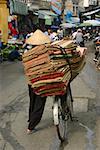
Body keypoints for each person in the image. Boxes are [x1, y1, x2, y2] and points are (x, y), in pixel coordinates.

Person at [22, 29, 51, 134]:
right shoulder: (46, 53)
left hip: (31, 82)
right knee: (39, 103)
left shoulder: (27, 53)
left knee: (33, 101)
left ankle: (30, 119)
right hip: (42, 82)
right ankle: (31, 125)